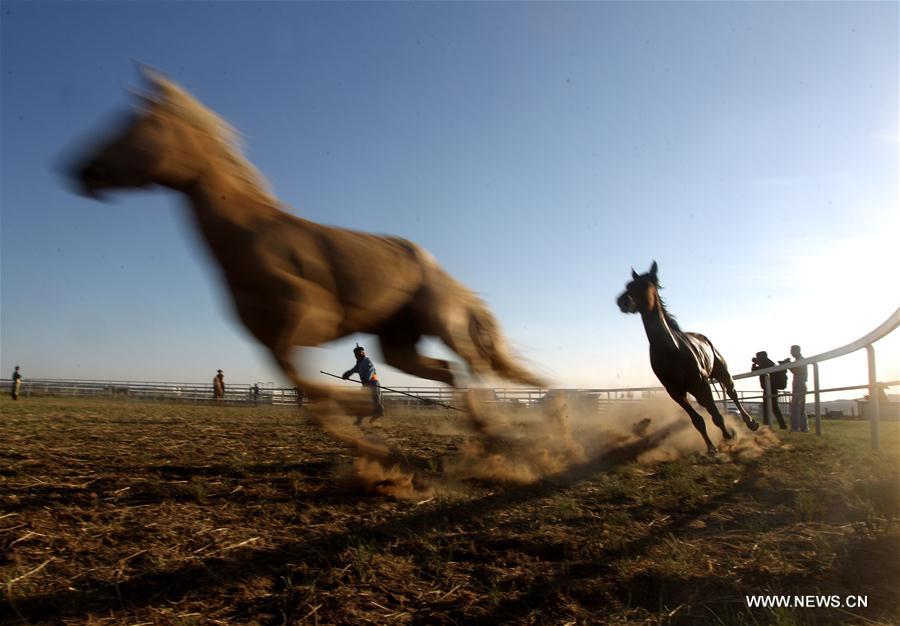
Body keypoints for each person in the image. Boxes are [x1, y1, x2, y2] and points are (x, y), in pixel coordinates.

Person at [342, 345, 385, 425]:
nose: (357, 355)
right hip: (365, 384)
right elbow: (353, 370)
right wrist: (347, 374)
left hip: (373, 383)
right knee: (361, 401)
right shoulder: (359, 363)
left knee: (375, 400)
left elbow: (371, 370)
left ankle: (378, 413)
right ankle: (359, 420)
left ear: (362, 353)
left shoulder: (366, 361)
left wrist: (367, 378)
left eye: (359, 353)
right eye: (356, 354)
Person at [751, 351, 787, 429]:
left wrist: (754, 364)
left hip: (770, 388)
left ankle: (768, 425)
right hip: (770, 388)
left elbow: (754, 371)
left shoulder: (766, 364)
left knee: (770, 407)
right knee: (773, 407)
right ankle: (780, 425)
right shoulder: (768, 363)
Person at [789, 345, 809, 432]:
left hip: (799, 384)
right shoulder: (799, 360)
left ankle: (796, 427)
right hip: (799, 384)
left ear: (797, 350)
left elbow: (798, 371)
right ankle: (804, 428)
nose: (791, 352)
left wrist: (789, 366)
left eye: (792, 350)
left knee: (796, 407)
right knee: (800, 408)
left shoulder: (801, 360)